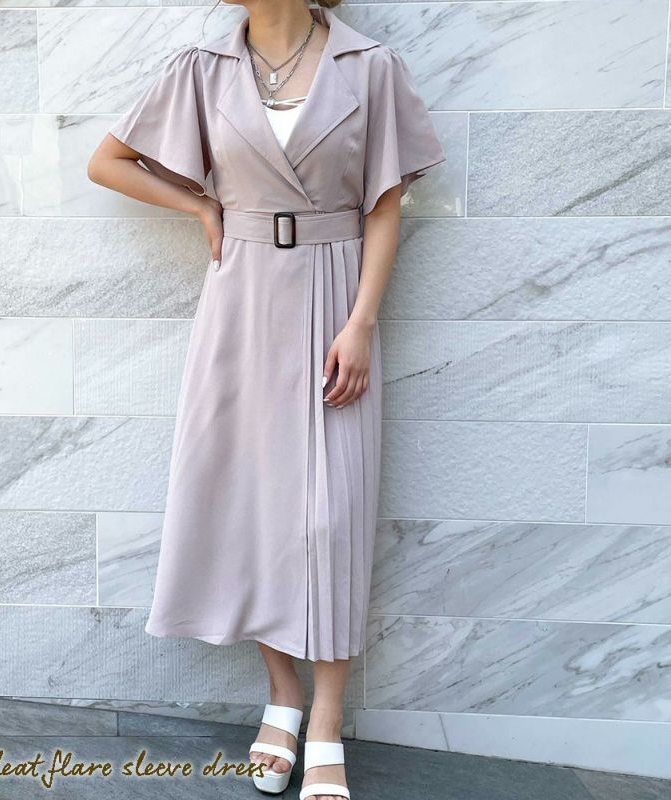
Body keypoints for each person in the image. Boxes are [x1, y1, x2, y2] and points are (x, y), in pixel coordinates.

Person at [87, 1, 445, 798]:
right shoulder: (202, 69)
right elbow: (108, 161)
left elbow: (385, 204)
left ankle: (327, 720)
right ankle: (282, 696)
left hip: (335, 293)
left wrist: (361, 323)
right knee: (257, 503)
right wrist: (200, 204)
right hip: (241, 298)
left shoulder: (369, 66)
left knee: (331, 514)